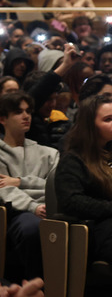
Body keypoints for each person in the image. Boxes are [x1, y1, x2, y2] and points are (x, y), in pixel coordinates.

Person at [54, 94, 112, 269]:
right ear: (90, 125)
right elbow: (72, 203)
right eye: (108, 119)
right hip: (102, 228)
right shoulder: (74, 160)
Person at [0, 92, 59, 282]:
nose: (26, 116)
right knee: (32, 227)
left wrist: (20, 182)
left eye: (28, 111)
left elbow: (56, 186)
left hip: (51, 208)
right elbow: (3, 190)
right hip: (16, 213)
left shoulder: (49, 153)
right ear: (3, 119)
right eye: (18, 112)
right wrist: (33, 207)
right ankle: (37, 286)